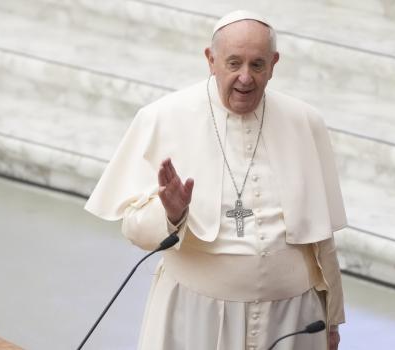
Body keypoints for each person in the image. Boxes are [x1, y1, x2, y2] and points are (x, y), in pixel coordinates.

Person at [85, 10, 346, 350]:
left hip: (292, 322)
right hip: (197, 319)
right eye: (233, 63)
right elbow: (133, 229)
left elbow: (322, 239)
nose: (245, 78)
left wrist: (333, 319)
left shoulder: (305, 122)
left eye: (257, 65)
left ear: (274, 64)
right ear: (211, 60)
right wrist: (171, 215)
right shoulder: (163, 117)